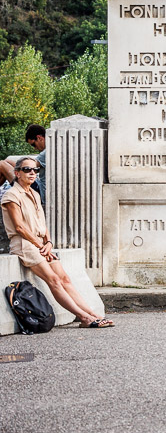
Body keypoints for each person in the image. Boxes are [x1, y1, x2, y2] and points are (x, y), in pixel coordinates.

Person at [1, 157, 112, 328]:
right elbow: (20, 228)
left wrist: (49, 242)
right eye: (27, 170)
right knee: (53, 280)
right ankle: (84, 317)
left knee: (65, 278)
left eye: (35, 170)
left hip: (40, 244)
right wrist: (40, 246)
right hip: (24, 244)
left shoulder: (35, 194)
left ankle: (92, 314)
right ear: (17, 173)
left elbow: (43, 224)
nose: (32, 173)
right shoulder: (11, 195)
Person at [1, 124, 48, 208]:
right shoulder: (54, 148)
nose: (35, 148)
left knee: (1, 164)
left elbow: (29, 166)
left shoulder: (47, 152)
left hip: (40, 193)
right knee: (7, 162)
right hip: (41, 189)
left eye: (34, 144)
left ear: (40, 138)